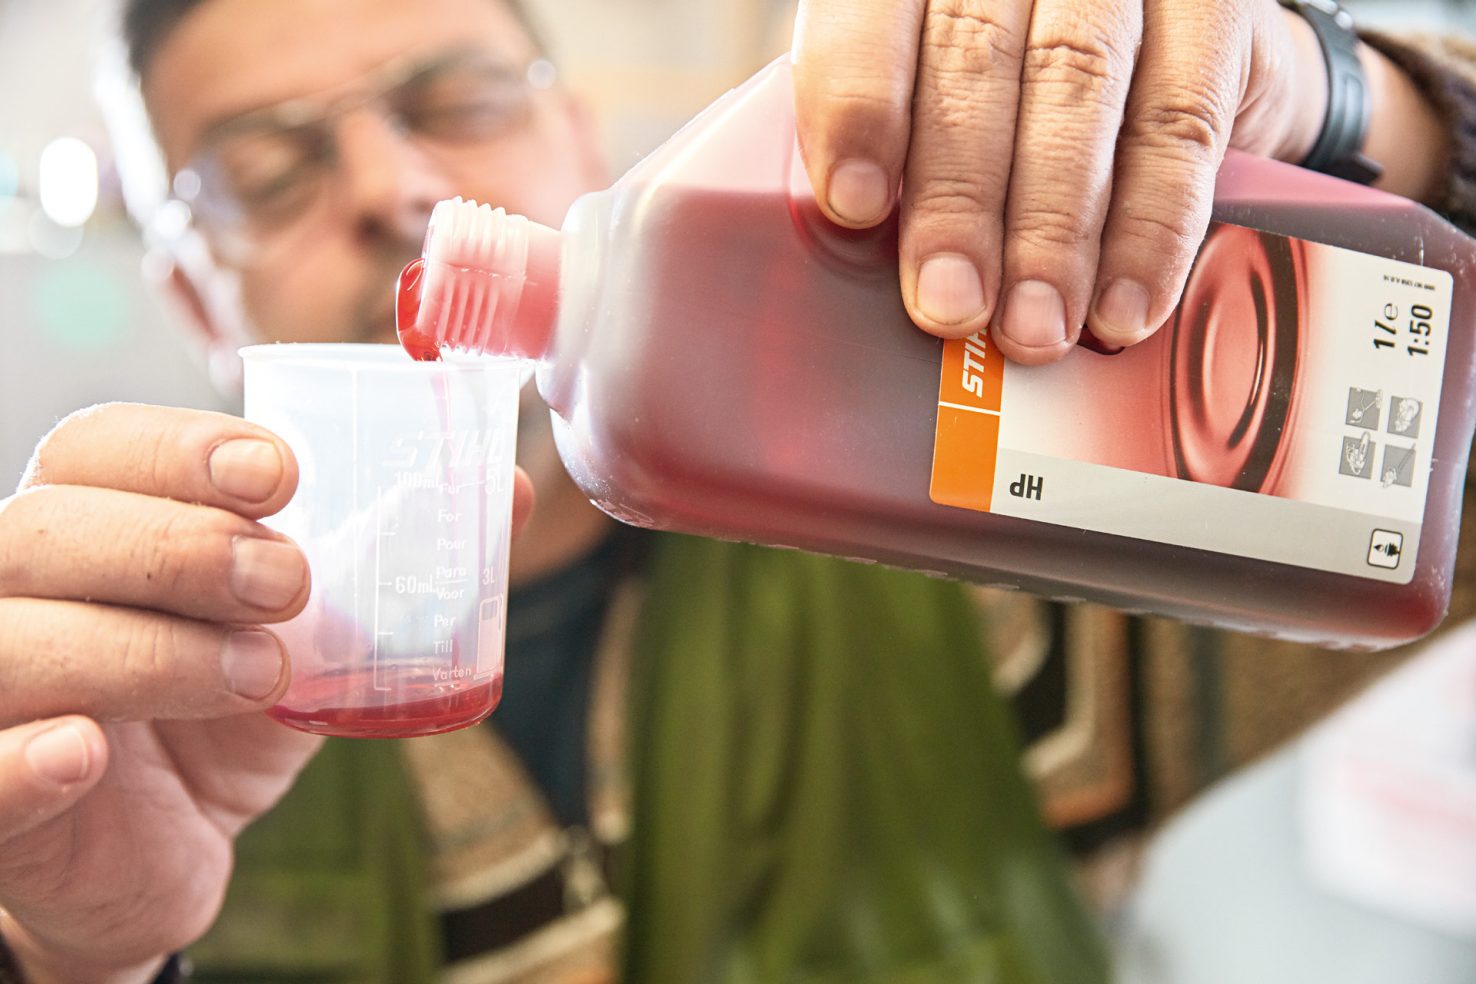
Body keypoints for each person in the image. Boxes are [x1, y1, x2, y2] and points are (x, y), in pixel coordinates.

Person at [0, 0, 1472, 981]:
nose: (389, 187)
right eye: (266, 171)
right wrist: (77, 959)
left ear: (580, 142)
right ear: (194, 298)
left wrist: (1354, 100)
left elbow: (1422, 495)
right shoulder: (145, 754)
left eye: (453, 96)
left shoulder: (979, 588)